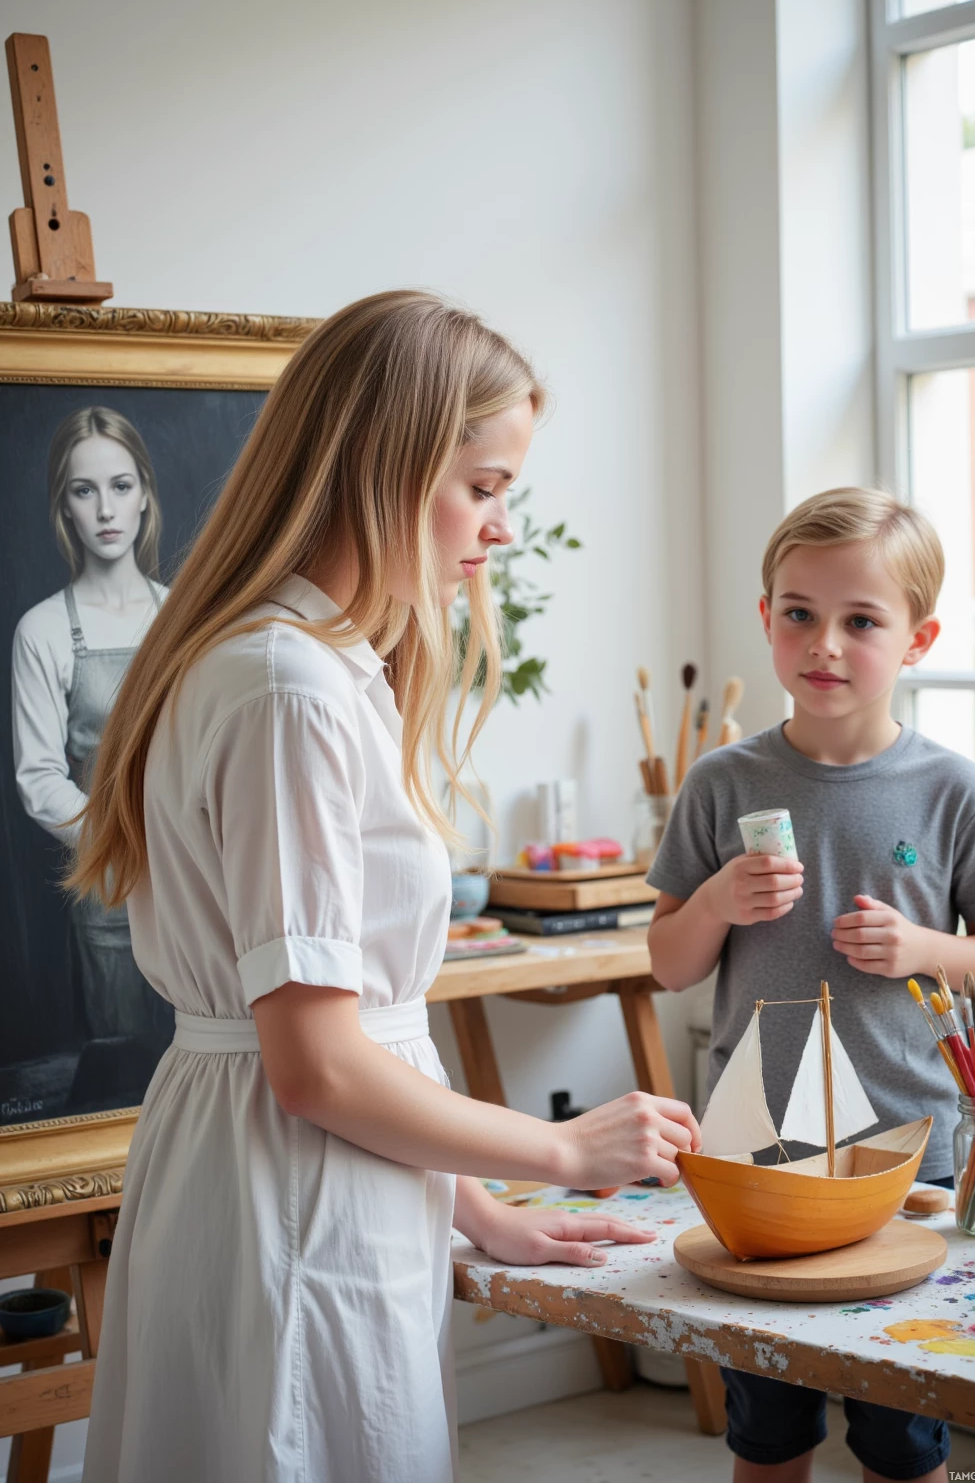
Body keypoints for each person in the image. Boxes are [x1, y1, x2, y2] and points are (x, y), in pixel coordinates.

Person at [73, 291, 701, 1483]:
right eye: (485, 484)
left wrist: (481, 1211)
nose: (499, 529)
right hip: (293, 1202)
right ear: (387, 463)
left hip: (297, 1183)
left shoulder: (308, 669)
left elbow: (358, 1042)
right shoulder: (285, 690)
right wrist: (560, 1151)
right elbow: (318, 1065)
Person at [647, 486, 975, 1483]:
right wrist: (716, 902)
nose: (824, 644)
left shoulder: (953, 791)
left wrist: (923, 951)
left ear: (918, 638)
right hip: (755, 1161)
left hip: (909, 1157)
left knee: (903, 1437)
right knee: (765, 1430)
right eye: (799, 613)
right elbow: (667, 963)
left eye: (861, 621)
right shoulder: (720, 785)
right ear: (764, 618)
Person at [12, 407, 172, 1057]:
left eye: (120, 486)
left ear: (144, 498)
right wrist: (124, 850)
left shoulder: (185, 616)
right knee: (127, 1066)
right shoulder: (43, 630)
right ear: (65, 508)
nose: (105, 508)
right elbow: (39, 781)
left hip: (203, 885)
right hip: (110, 890)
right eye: (85, 490)